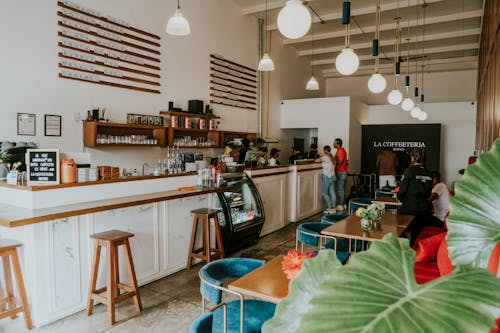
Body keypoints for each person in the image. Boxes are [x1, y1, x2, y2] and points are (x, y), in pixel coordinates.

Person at [397, 148, 442, 244]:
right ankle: (413, 247)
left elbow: (402, 192)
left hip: (408, 210)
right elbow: (428, 194)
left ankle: (403, 246)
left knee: (399, 229)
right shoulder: (430, 174)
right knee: (416, 234)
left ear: (412, 157)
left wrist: (402, 199)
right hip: (424, 211)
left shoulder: (408, 171)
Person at [315, 145, 336, 213]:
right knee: (332, 192)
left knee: (324, 193)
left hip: (327, 176)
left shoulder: (325, 157)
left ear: (324, 151)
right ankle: (333, 208)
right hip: (333, 176)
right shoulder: (332, 157)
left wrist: (321, 157)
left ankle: (330, 208)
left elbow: (316, 161)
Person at [333, 138, 348, 212]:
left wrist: (333, 160)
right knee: (341, 189)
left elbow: (340, 162)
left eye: (334, 143)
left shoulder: (341, 151)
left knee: (340, 189)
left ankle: (341, 205)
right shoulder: (340, 150)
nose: (333, 144)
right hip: (341, 172)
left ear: (338, 144)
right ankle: (344, 204)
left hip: (341, 172)